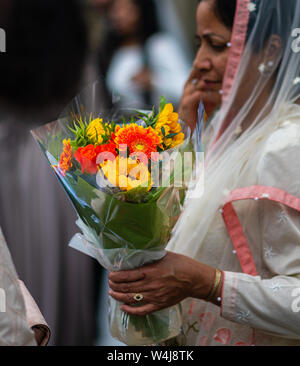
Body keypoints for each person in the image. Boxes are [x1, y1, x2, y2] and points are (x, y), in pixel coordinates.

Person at [108, 0, 300, 346]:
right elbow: (171, 224)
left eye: (216, 44)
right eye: (199, 44)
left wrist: (210, 284)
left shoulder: (284, 146)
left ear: (270, 50)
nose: (198, 64)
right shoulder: (219, 134)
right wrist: (179, 135)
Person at [98, 0, 190, 109]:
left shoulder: (160, 45)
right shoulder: (114, 54)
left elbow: (186, 89)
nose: (118, 16)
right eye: (115, 10)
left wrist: (154, 81)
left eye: (126, 9)